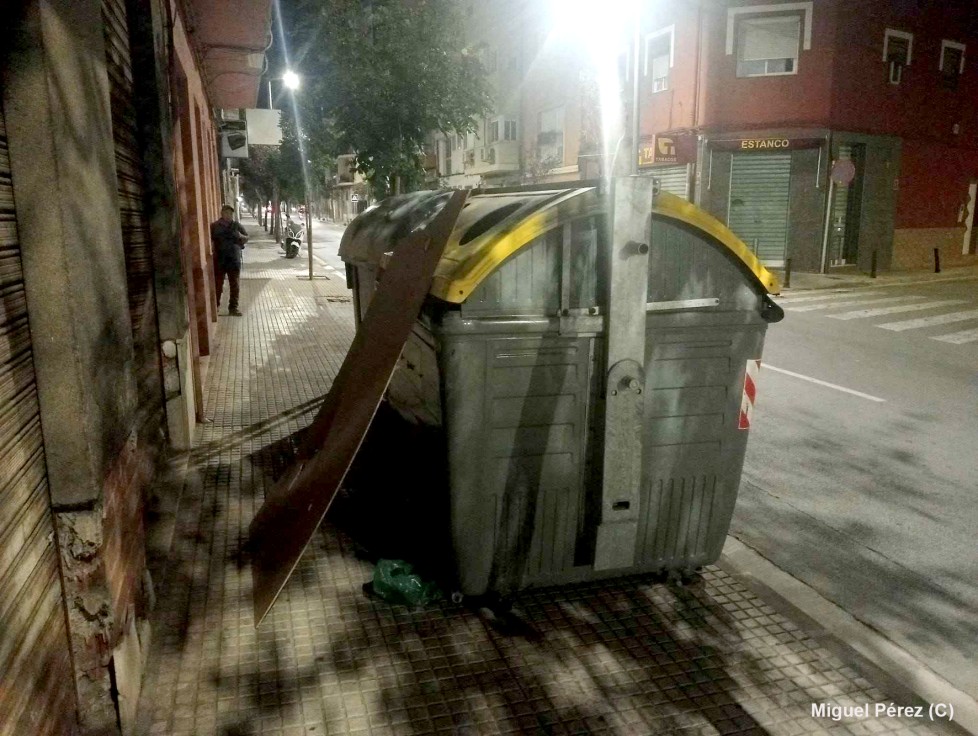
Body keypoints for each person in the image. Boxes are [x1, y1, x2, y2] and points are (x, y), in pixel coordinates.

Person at [211, 205, 248, 316]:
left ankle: (233, 308)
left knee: (234, 285)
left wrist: (240, 236)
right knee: (218, 284)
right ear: (222, 213)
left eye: (231, 214)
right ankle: (216, 306)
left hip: (234, 259)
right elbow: (209, 241)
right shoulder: (214, 226)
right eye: (226, 213)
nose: (229, 215)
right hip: (219, 260)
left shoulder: (236, 225)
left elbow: (246, 237)